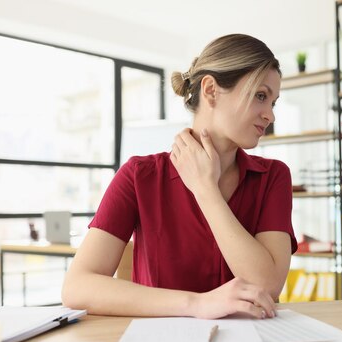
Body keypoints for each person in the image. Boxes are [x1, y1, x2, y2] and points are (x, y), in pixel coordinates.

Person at [62, 34, 297, 319]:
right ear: (211, 90)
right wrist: (197, 304)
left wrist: (205, 189)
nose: (270, 115)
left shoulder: (273, 177)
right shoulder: (139, 176)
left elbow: (267, 286)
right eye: (261, 96)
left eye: (273, 102)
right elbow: (77, 287)